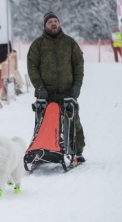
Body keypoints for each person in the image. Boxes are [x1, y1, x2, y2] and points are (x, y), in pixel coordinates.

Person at [27, 12, 86, 162]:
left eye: (55, 21)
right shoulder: (38, 44)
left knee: (73, 121)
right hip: (45, 93)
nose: (53, 24)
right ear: (45, 25)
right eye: (49, 22)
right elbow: (32, 66)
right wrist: (39, 87)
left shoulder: (70, 43)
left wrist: (77, 85)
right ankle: (41, 149)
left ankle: (77, 150)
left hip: (67, 91)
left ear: (59, 24)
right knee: (44, 123)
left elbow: (79, 64)